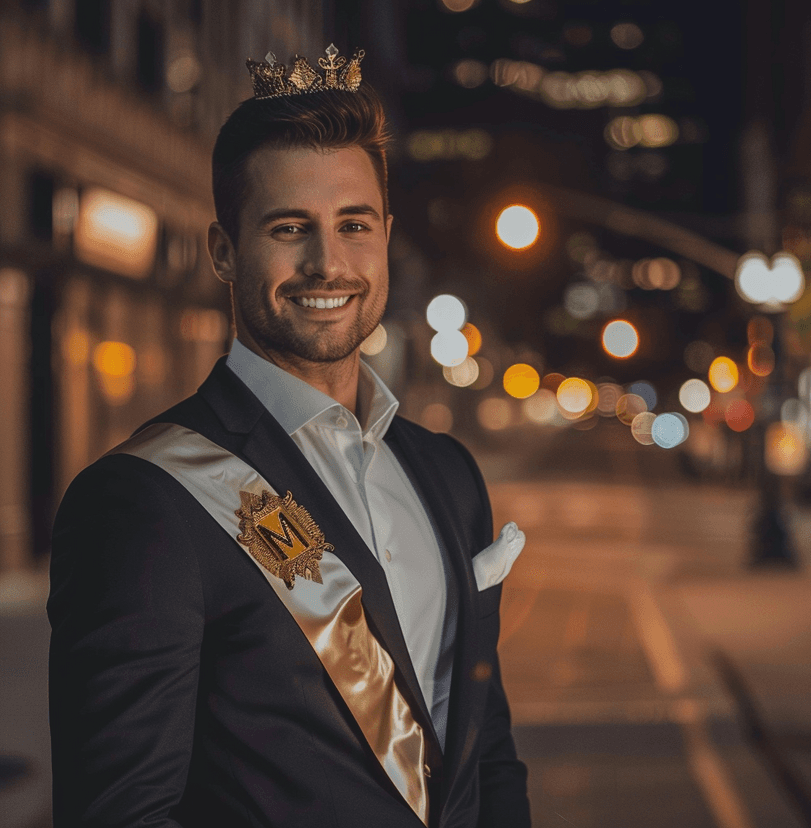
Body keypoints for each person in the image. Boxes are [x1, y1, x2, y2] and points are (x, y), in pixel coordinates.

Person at [48, 44, 530, 828]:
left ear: (385, 236)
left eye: (353, 225)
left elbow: (488, 749)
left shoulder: (446, 471)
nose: (327, 263)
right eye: (288, 228)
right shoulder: (141, 502)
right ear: (224, 252)